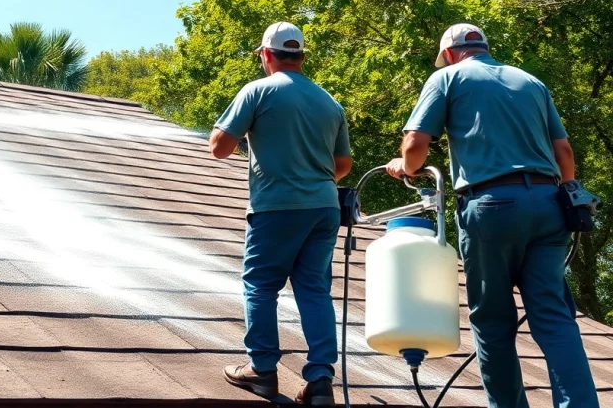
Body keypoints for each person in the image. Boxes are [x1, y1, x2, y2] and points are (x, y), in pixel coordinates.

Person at [386, 23, 599, 408]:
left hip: (492, 206)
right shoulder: (530, 82)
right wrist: (566, 193)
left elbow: (417, 144)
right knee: (554, 318)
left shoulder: (447, 78)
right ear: (484, 47)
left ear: (450, 53)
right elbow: (564, 153)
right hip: (551, 204)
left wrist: (405, 166)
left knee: (493, 321)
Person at [210, 21, 352, 406]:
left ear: (266, 55)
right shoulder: (329, 102)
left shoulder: (258, 91)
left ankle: (262, 370)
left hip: (277, 206)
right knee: (314, 290)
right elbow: (342, 165)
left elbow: (219, 147)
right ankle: (320, 380)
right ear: (301, 57)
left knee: (260, 285)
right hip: (324, 208)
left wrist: (253, 139)